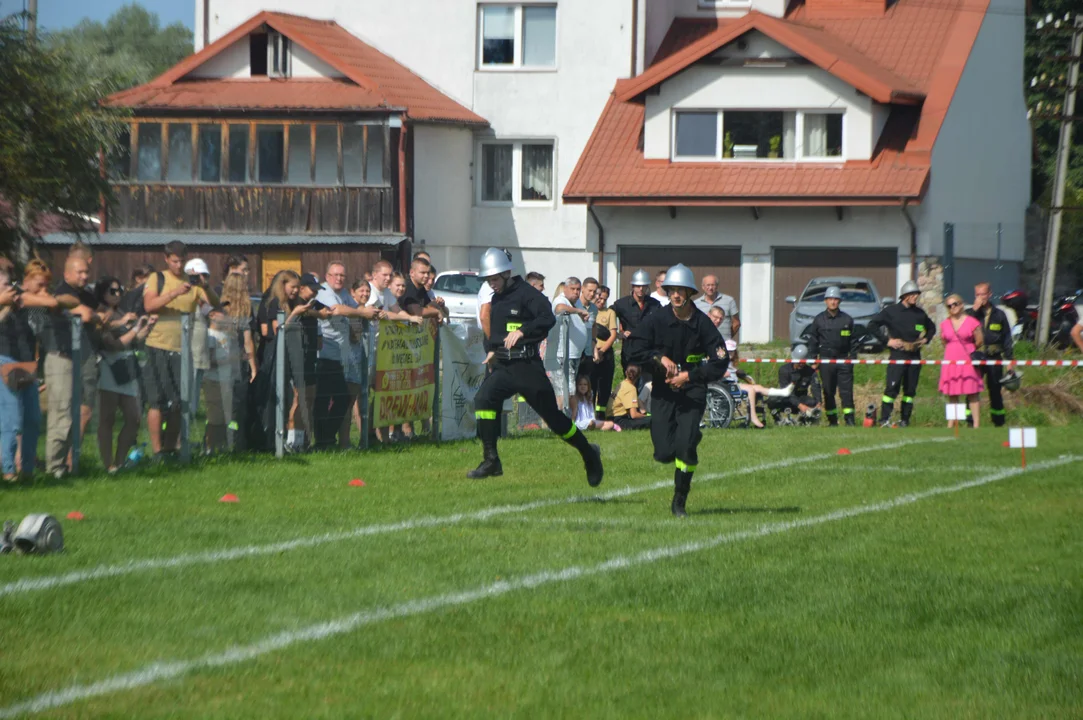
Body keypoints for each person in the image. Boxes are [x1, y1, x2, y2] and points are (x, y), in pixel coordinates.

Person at [467, 248, 604, 485]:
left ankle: (588, 452)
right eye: (489, 281)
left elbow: (546, 318)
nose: (492, 285)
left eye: (495, 279)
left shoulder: (527, 294)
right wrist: (492, 349)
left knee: (554, 420)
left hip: (527, 366)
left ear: (507, 273)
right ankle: (491, 459)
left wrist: (523, 331)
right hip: (505, 366)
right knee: (483, 400)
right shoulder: (496, 295)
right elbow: (499, 330)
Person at [626, 264, 728, 517]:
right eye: (672, 290)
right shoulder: (657, 319)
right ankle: (689, 439)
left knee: (685, 448)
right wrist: (657, 357)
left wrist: (689, 376)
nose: (676, 295)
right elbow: (632, 348)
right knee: (662, 452)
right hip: (663, 390)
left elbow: (720, 361)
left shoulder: (703, 324)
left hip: (692, 391)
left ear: (690, 292)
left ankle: (679, 499)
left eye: (681, 290)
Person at [142, 240, 218, 459]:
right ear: (166, 259)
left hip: (182, 349)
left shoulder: (192, 283)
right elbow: (149, 305)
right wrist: (174, 293)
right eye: (174, 261)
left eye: (182, 261)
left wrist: (205, 286)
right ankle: (156, 452)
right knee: (157, 401)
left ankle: (170, 448)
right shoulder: (158, 278)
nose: (178, 265)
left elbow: (212, 306)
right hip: (157, 345)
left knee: (178, 401)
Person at [42, 254, 98, 477]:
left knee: (75, 412)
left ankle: (66, 463)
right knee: (61, 413)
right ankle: (54, 467)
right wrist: (94, 315)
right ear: (66, 274)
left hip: (77, 358)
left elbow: (93, 314)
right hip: (61, 357)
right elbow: (86, 316)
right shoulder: (61, 292)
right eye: (80, 272)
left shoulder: (86, 295)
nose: (85, 276)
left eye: (87, 272)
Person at [94, 276, 153, 471]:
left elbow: (134, 339)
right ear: (102, 294)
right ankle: (108, 463)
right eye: (112, 291)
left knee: (134, 418)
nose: (117, 294)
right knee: (108, 418)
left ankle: (120, 461)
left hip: (127, 366)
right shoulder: (101, 314)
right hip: (110, 367)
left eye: (119, 290)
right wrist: (133, 328)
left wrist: (146, 326)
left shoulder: (122, 312)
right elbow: (113, 344)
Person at [867, 280, 935, 428]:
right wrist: (887, 341)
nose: (916, 297)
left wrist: (925, 339)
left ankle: (905, 420)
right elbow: (872, 325)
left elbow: (932, 328)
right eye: (913, 294)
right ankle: (884, 420)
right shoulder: (891, 311)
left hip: (914, 356)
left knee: (910, 391)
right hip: (898, 356)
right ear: (905, 296)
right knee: (891, 389)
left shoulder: (919, 314)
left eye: (917, 294)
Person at [0, 269, 44, 480]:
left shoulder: (20, 306)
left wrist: (18, 301)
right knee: (11, 419)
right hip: (5, 361)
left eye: (11, 284)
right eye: (5, 284)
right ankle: (8, 470)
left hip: (26, 364)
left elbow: (48, 301)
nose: (11, 288)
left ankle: (27, 470)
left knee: (33, 417)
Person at [313, 261, 354, 449]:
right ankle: (323, 439)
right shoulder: (324, 291)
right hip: (324, 354)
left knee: (338, 397)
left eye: (342, 276)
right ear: (327, 276)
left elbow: (354, 308)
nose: (339, 279)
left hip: (339, 354)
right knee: (329, 398)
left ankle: (325, 438)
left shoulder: (344, 294)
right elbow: (338, 310)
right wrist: (362, 312)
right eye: (335, 275)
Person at [216, 274, 259, 451]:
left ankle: (217, 443)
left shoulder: (219, 308)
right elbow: (248, 342)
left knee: (220, 404)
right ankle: (236, 443)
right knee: (237, 405)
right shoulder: (244, 311)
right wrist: (253, 367)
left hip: (219, 360)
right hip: (238, 362)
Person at [806, 286, 856, 426]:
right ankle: (832, 420)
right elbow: (813, 341)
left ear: (839, 301)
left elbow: (854, 342)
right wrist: (813, 360)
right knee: (828, 392)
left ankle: (850, 420)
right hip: (826, 361)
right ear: (825, 301)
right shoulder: (819, 320)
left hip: (843, 360)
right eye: (830, 299)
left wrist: (851, 359)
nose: (833, 302)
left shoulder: (847, 320)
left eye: (835, 299)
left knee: (846, 392)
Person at [967, 282, 1015, 427]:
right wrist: (974, 311)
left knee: (995, 390)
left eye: (983, 294)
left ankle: (998, 422)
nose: (981, 297)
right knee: (972, 390)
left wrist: (1009, 360)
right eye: (977, 295)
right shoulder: (971, 313)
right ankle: (970, 422)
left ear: (990, 294)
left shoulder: (999, 314)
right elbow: (965, 329)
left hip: (994, 357)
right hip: (977, 357)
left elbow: (1007, 338)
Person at [723, 340, 793, 429]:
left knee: (758, 387)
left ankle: (783, 392)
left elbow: (737, 372)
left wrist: (743, 375)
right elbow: (715, 372)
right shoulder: (721, 361)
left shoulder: (731, 363)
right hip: (726, 385)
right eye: (728, 351)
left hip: (734, 384)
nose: (730, 354)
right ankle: (753, 416)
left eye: (732, 351)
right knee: (751, 389)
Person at [940, 293, 984, 428]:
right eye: (949, 305)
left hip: (967, 359)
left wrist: (969, 349)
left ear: (961, 304)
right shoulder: (945, 323)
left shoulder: (972, 322)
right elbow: (943, 341)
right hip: (951, 358)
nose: (953, 307)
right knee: (952, 393)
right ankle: (951, 423)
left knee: (972, 392)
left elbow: (979, 340)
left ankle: (976, 424)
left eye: (955, 304)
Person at [612, 269, 661, 375]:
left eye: (643, 286)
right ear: (633, 286)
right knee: (631, 385)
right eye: (638, 286)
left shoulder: (655, 304)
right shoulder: (621, 304)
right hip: (630, 352)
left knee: (648, 385)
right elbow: (607, 316)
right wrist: (617, 334)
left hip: (649, 351)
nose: (641, 289)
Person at [767, 345, 822, 425]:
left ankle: (801, 419)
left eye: (803, 362)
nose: (801, 364)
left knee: (812, 402)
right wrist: (800, 405)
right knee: (772, 399)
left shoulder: (810, 371)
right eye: (798, 362)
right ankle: (778, 419)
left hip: (801, 397)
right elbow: (786, 391)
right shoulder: (784, 370)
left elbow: (816, 387)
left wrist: (818, 402)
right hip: (786, 398)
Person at [590, 285, 618, 420]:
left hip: (605, 354)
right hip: (590, 353)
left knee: (604, 385)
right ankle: (589, 414)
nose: (601, 302)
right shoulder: (589, 310)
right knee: (591, 385)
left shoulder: (610, 313)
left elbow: (613, 334)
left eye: (604, 300)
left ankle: (601, 414)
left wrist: (602, 351)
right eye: (599, 298)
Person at [478, 249, 513, 338]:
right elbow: (484, 316)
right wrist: (492, 345)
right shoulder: (491, 285)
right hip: (493, 339)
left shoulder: (497, 284)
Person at [694, 275, 740, 341]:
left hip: (724, 344)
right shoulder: (696, 304)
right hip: (703, 345)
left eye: (713, 285)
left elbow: (736, 323)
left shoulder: (729, 301)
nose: (710, 288)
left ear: (717, 286)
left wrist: (727, 337)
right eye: (708, 285)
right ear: (703, 287)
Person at [608, 364, 651, 430]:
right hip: (620, 421)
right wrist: (645, 416)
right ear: (639, 376)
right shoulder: (631, 388)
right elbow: (633, 415)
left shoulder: (621, 384)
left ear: (626, 373)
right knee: (651, 420)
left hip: (610, 418)